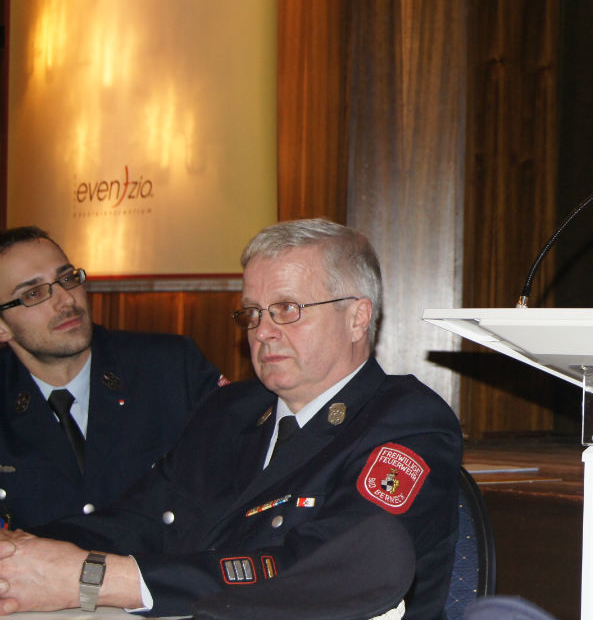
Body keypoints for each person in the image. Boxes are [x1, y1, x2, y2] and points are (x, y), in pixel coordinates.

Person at [0, 219, 463, 619]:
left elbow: (315, 572)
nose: (262, 332)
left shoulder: (405, 420)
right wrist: (21, 553)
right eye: (253, 313)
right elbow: (137, 520)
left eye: (286, 310)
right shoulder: (231, 412)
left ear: (358, 318)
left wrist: (101, 579)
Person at [0, 226, 220, 529]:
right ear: (2, 327)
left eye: (66, 278)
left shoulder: (169, 367)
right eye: (33, 294)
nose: (65, 300)